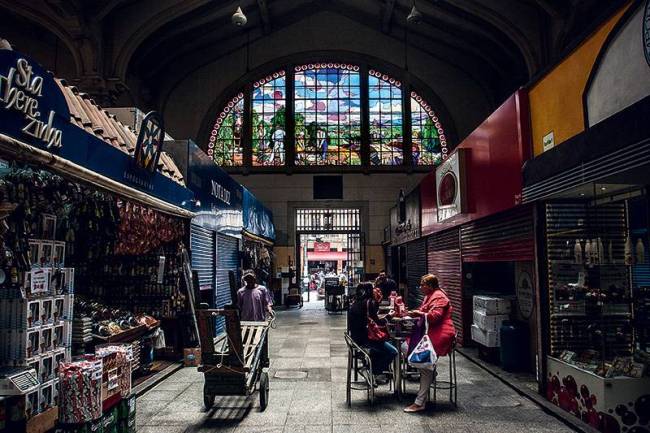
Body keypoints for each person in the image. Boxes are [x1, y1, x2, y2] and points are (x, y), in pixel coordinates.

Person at [404, 274, 456, 413]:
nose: (420, 287)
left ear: (430, 285)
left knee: (425, 365)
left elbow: (435, 316)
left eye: (422, 285)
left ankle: (420, 402)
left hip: (440, 334)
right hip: (430, 332)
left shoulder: (439, 297)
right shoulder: (430, 295)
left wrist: (419, 314)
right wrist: (417, 312)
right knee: (405, 346)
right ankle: (428, 373)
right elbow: (425, 310)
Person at [347, 282, 398, 384]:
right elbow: (378, 322)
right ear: (370, 290)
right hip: (366, 338)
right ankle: (371, 371)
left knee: (383, 346)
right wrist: (389, 316)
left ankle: (374, 371)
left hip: (356, 337)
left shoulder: (356, 302)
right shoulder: (369, 302)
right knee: (393, 351)